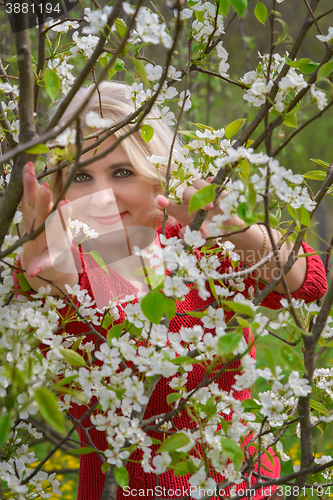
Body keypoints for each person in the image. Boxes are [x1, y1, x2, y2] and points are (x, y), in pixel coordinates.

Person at [15, 82, 327, 500]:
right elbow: (60, 282)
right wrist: (44, 264)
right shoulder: (75, 270)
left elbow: (305, 282)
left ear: (155, 173)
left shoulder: (200, 246)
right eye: (81, 176)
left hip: (250, 486)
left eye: (122, 172)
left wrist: (236, 229)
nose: (101, 194)